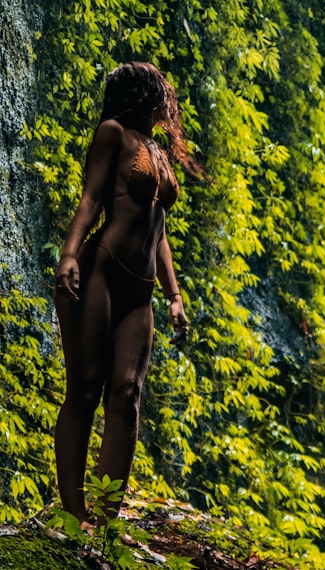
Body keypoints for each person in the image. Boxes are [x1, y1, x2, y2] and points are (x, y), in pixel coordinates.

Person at [53, 61, 201, 527]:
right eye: (159, 91)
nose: (166, 100)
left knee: (127, 394)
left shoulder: (156, 150)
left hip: (141, 292)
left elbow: (158, 234)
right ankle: (75, 515)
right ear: (141, 94)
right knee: (86, 386)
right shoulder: (112, 133)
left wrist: (174, 294)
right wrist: (70, 256)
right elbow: (91, 199)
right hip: (101, 269)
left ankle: (107, 518)